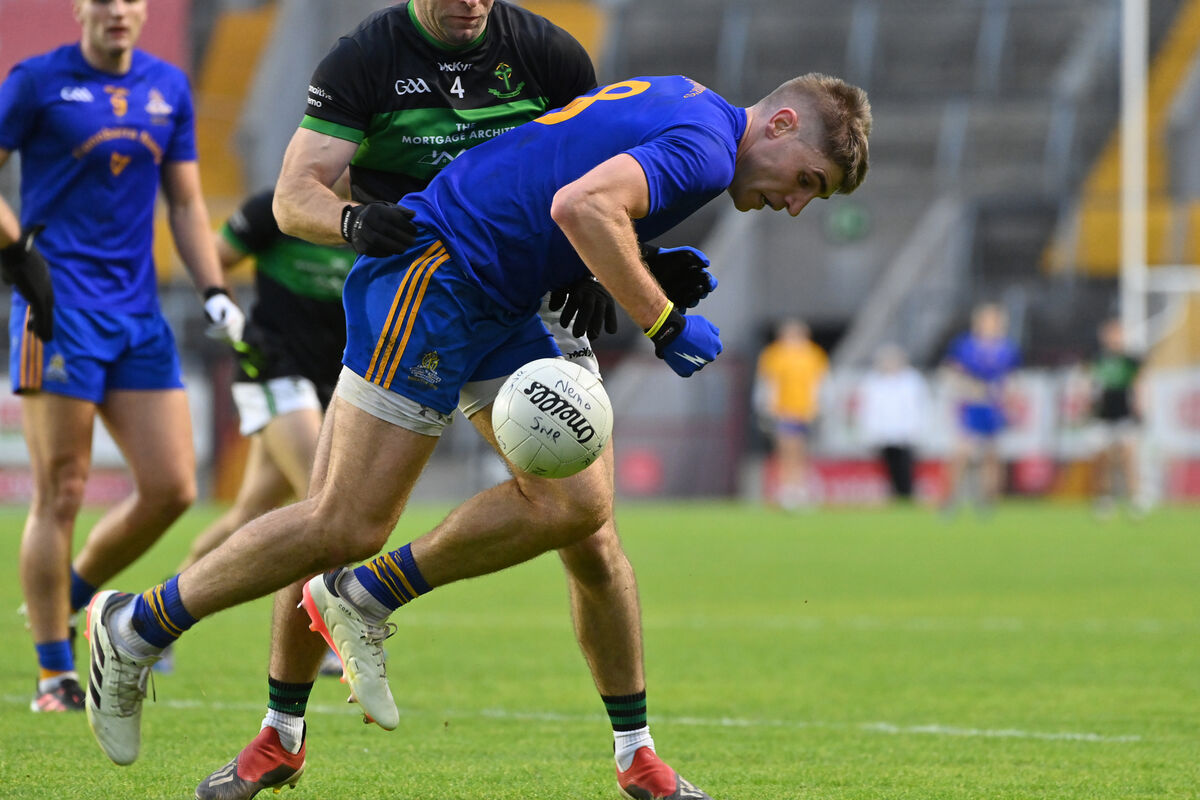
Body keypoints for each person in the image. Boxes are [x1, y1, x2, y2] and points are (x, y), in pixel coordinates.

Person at [83, 69, 871, 800]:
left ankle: (374, 599)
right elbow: (582, 206)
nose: (796, 202)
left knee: (579, 511)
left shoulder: (689, 102)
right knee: (344, 522)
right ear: (782, 123)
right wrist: (660, 320)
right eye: (807, 181)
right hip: (439, 273)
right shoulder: (705, 148)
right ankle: (139, 624)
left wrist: (641, 259)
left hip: (503, 294)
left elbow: (562, 177)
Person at [195, 4, 714, 799]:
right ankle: (278, 735)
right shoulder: (364, 59)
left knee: (590, 530)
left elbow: (585, 168)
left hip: (524, 310)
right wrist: (352, 219)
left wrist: (615, 264)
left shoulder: (546, 53)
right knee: (333, 523)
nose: (467, 2)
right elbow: (293, 199)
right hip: (419, 288)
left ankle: (638, 755)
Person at [0, 0, 243, 713]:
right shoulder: (36, 80)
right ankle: (54, 675)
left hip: (138, 315)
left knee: (171, 487)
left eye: (131, 0)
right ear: (82, 7)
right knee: (64, 489)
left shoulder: (168, 85)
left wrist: (215, 290)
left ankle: (65, 595)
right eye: (104, 0)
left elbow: (187, 205)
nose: (118, 11)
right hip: (57, 311)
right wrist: (18, 255)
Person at [177, 184, 356, 677]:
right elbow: (212, 259)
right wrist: (232, 320)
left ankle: (151, 616)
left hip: (335, 378)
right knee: (323, 502)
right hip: (272, 367)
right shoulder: (276, 207)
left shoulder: (379, 209)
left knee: (250, 515)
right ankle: (327, 635)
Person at [941, 303, 1020, 512]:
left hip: (993, 406)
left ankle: (987, 501)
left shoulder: (1006, 348)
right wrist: (970, 388)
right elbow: (950, 372)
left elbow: (1011, 378)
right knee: (962, 453)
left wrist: (1006, 394)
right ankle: (951, 499)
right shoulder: (964, 346)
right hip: (969, 404)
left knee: (991, 454)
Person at [753, 318, 829, 509]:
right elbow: (767, 383)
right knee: (786, 449)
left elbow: (821, 383)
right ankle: (788, 488)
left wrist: (820, 407)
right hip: (783, 410)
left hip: (805, 410)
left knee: (801, 452)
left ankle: (801, 488)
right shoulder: (774, 354)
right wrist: (765, 407)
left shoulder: (813, 354)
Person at [1087, 317, 1147, 518]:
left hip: (1124, 415)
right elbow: (1090, 386)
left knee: (1128, 457)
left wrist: (1141, 406)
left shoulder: (1130, 360)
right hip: (1102, 416)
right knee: (1103, 459)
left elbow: (1139, 384)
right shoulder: (1097, 359)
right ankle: (1105, 498)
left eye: (1118, 334)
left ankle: (1135, 498)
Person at [857, 343, 930, 501]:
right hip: (884, 434)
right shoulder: (872, 381)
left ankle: (907, 495)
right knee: (889, 468)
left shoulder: (912, 380)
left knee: (906, 467)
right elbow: (869, 410)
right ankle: (895, 496)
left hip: (905, 434)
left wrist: (917, 429)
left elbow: (919, 407)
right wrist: (870, 433)